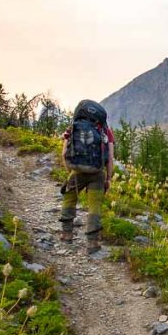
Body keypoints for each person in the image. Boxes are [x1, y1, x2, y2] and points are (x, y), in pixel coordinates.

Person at [60, 99, 114, 254]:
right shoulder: (105, 131)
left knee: (69, 199)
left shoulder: (73, 128)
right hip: (97, 174)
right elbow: (110, 158)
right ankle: (92, 243)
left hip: (77, 172)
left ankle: (66, 234)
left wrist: (69, 170)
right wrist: (108, 178)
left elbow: (64, 153)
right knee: (94, 207)